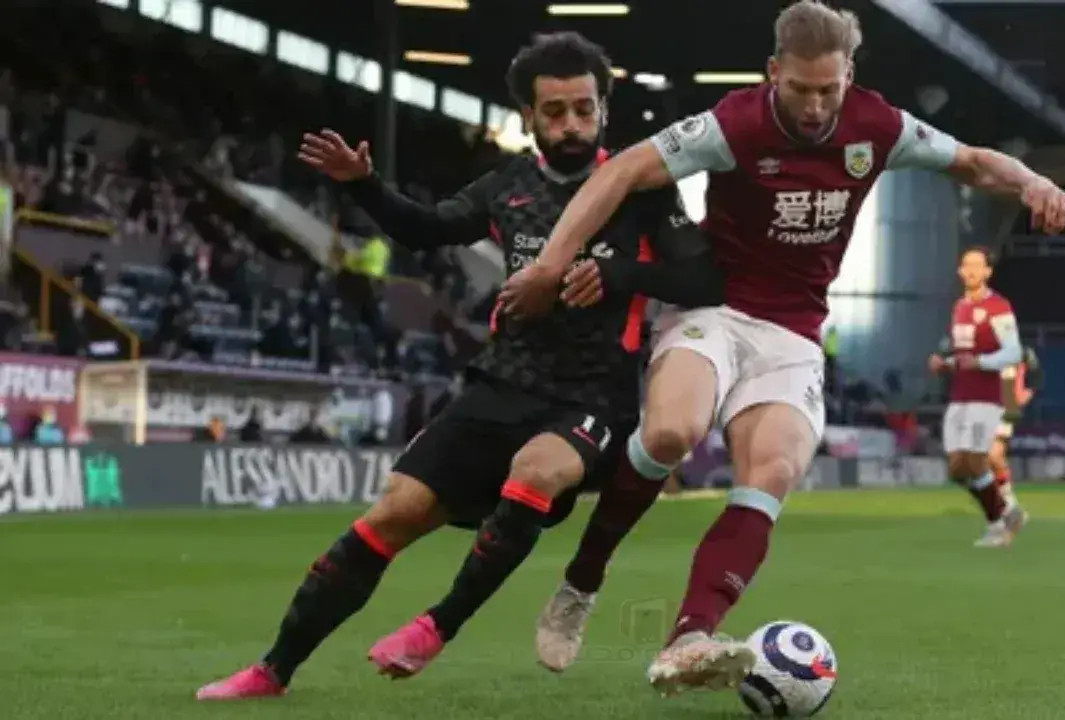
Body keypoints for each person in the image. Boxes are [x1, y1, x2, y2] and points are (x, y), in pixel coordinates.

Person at [499, 0, 1065, 695]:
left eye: (829, 89)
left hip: (794, 332)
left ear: (849, 75)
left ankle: (690, 639)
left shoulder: (879, 126)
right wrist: (550, 266)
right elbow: (620, 171)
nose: (814, 106)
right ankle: (581, 582)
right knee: (673, 432)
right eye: (800, 89)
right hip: (712, 309)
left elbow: (974, 163)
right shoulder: (733, 124)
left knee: (771, 471)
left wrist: (1033, 181)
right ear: (774, 72)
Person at [195, 32, 724, 701]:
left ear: (603, 111)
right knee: (396, 510)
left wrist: (619, 274)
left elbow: (705, 278)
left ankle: (436, 626)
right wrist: (363, 185)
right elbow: (427, 227)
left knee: (536, 473)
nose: (571, 124)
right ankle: (272, 670)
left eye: (583, 109)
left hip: (592, 397)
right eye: (554, 111)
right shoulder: (507, 186)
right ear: (528, 118)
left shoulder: (641, 189)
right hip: (500, 383)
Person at [928, 247, 1028, 548]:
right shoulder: (959, 307)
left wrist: (982, 362)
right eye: (966, 265)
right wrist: (944, 363)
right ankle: (1008, 510)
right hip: (959, 395)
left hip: (986, 397)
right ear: (960, 271)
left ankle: (997, 526)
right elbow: (961, 353)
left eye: (977, 265)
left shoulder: (998, 307)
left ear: (988, 272)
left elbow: (1014, 352)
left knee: (975, 461)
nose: (971, 270)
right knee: (957, 469)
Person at [989, 346, 1043, 506]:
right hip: (985, 406)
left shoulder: (1020, 353)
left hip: (1005, 409)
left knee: (994, 455)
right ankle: (1000, 494)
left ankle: (1006, 496)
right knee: (988, 458)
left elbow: (1037, 376)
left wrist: (1025, 396)